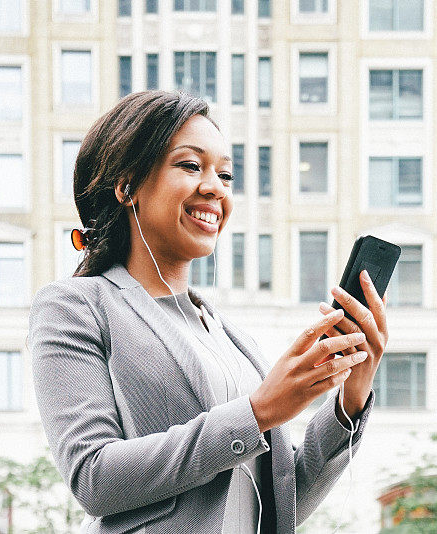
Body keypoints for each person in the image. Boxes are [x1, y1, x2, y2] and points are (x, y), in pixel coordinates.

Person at [28, 90, 390, 534]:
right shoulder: (77, 306)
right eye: (190, 165)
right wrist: (257, 412)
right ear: (126, 186)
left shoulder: (230, 337)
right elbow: (93, 477)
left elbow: (281, 503)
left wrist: (350, 399)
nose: (216, 188)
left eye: (226, 174)